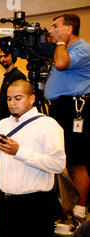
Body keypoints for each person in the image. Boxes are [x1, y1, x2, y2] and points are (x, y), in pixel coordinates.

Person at [0, 79, 66, 237]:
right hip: (6, 203)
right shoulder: (4, 124)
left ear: (32, 98)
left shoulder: (47, 125)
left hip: (35, 205)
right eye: (8, 99)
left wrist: (20, 152)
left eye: (18, 98)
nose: (12, 103)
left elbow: (58, 164)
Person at [45, 13, 90, 221]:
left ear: (69, 28)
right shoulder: (63, 49)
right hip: (60, 108)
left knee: (75, 161)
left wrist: (61, 40)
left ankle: (80, 208)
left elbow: (62, 64)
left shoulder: (82, 48)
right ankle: (65, 207)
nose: (51, 30)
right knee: (60, 159)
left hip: (74, 109)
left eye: (56, 26)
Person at [0, 51, 26, 125]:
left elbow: (19, 101)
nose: (3, 59)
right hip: (3, 119)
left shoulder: (18, 76)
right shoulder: (7, 76)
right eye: (1, 57)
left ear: (13, 57)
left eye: (6, 56)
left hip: (12, 120)